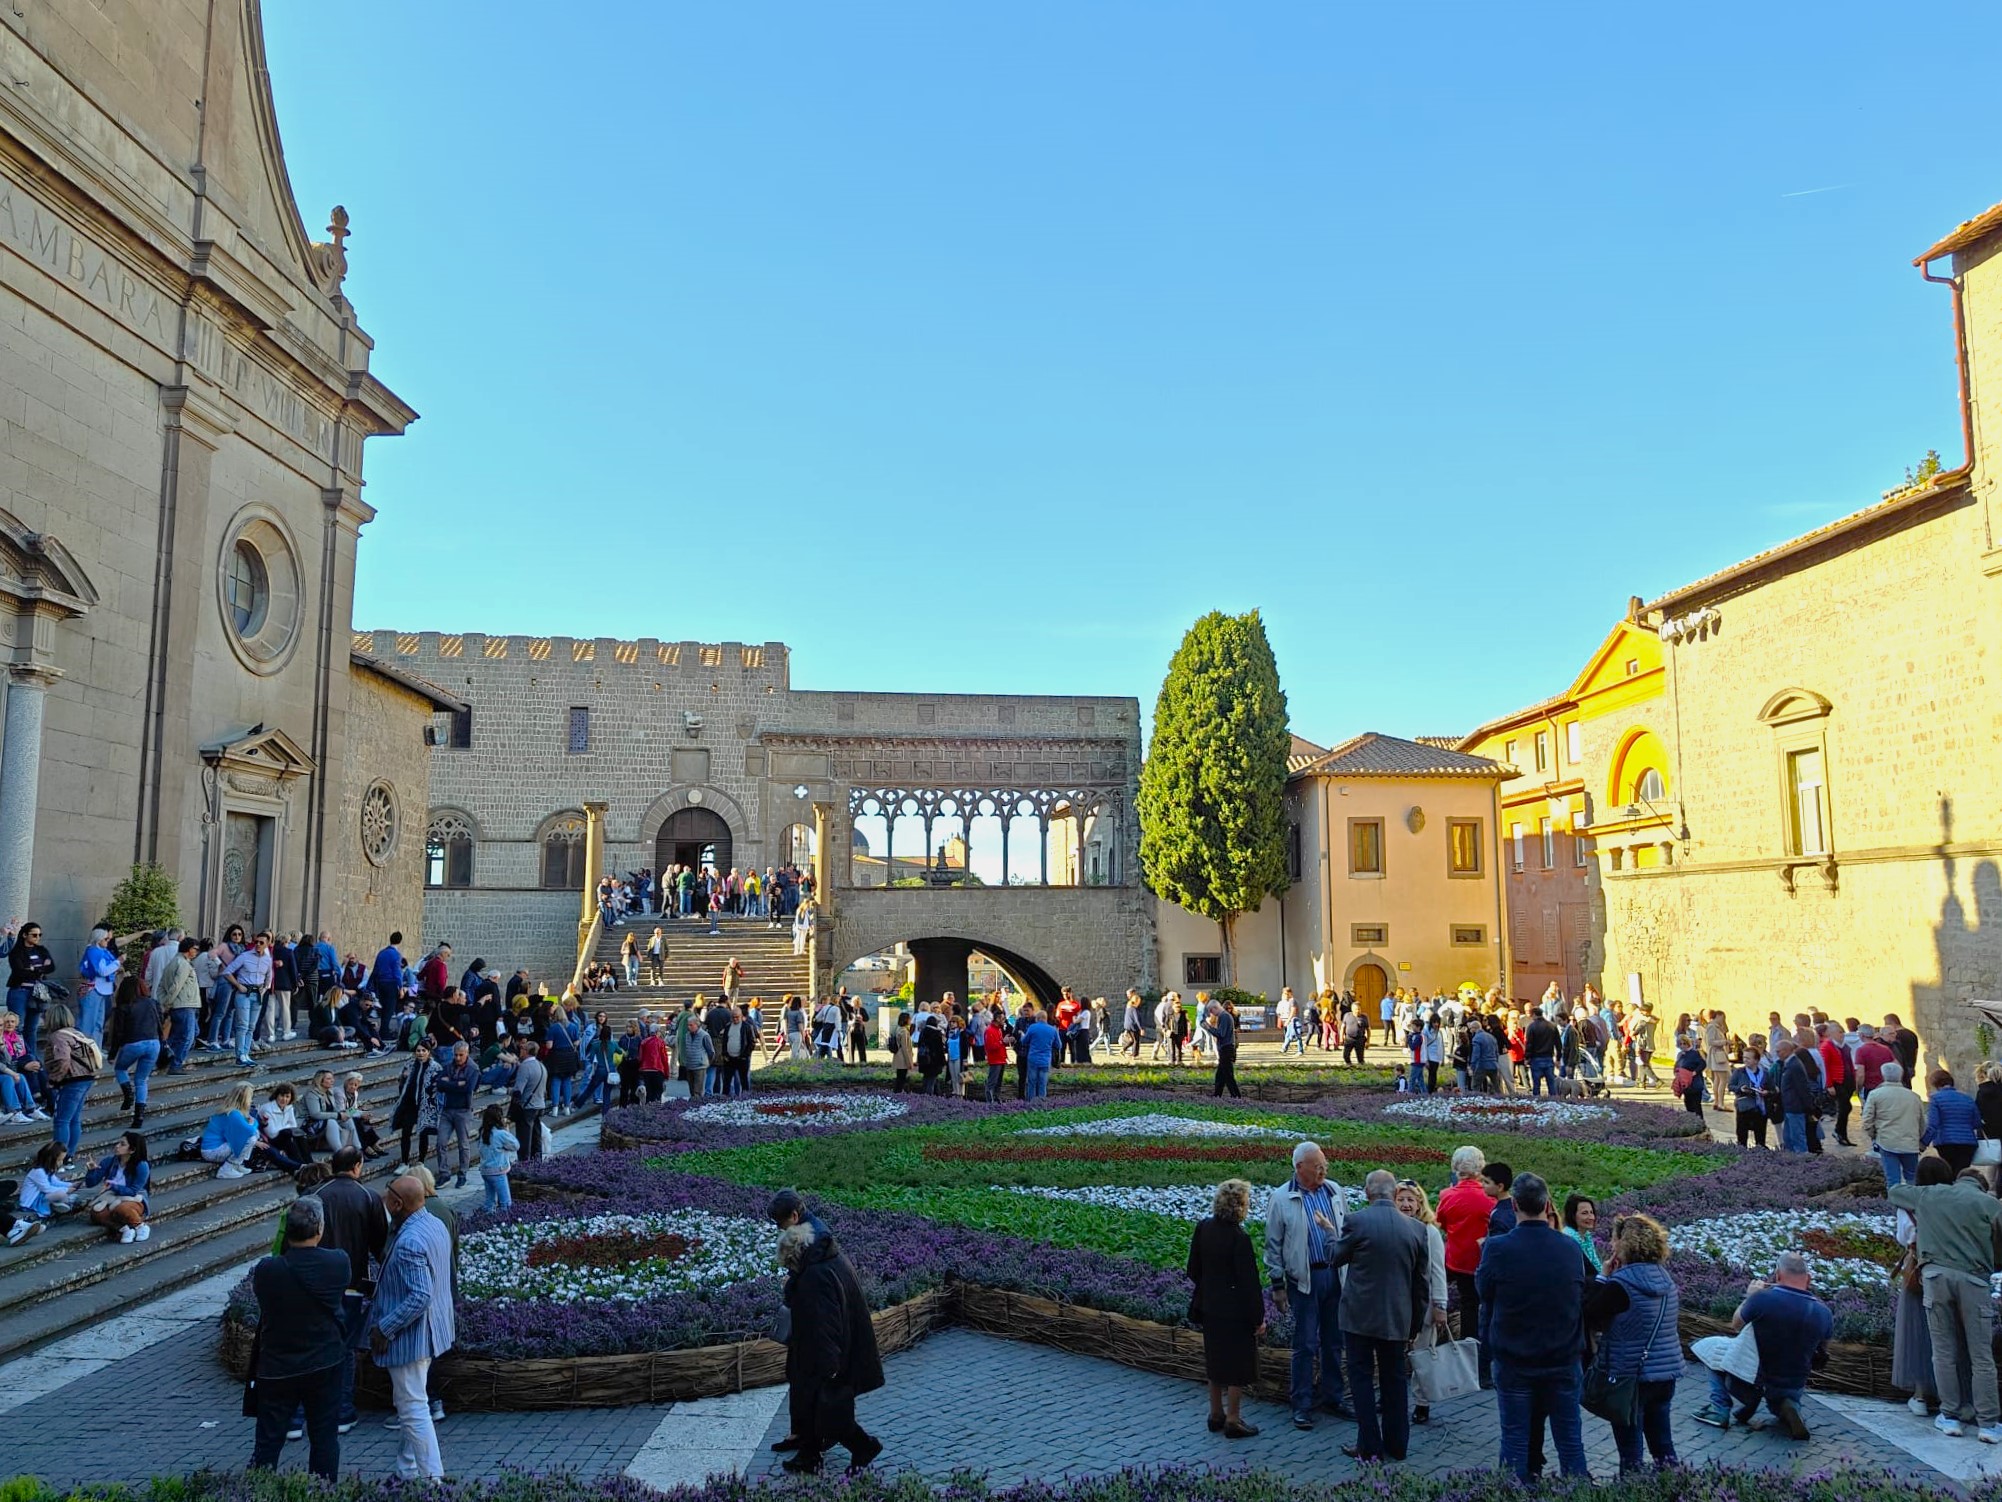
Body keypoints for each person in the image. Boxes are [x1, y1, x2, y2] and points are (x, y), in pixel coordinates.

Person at [1476, 1172, 1590, 1481]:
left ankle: (1515, 1490)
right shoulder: (1568, 1247)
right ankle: (1579, 1492)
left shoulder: (1498, 1248)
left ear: (1513, 1204)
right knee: (1570, 1440)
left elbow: (1483, 1292)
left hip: (1515, 1359)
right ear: (1546, 1204)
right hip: (1563, 1358)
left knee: (1514, 1439)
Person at [1888, 1162, 2002, 1440]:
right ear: (1981, 1186)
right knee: (1981, 1355)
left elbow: (1894, 1192)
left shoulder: (1932, 1195)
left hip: (1935, 1278)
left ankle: (1949, 1417)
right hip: (1974, 1280)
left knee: (1943, 1350)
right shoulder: (1989, 1204)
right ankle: (1987, 1423)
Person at [1325, 1169, 1429, 1462]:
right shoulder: (1416, 1229)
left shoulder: (1357, 1221)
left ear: (1368, 1193)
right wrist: (1415, 1324)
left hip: (1359, 1318)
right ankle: (1397, 1446)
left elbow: (1335, 1257)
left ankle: (1369, 1446)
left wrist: (1330, 1234)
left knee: (1361, 1380)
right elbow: (1421, 1284)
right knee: (1395, 1382)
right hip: (1397, 1318)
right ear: (1395, 1194)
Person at [250, 1195, 350, 1480]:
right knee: (324, 1438)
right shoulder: (338, 1262)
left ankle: (257, 1491)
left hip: (278, 1366)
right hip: (324, 1362)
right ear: (320, 1229)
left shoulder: (268, 1271)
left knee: (268, 1443)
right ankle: (323, 1492)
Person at [776, 1220, 884, 1475]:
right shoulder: (824, 1261)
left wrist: (829, 1366)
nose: (789, 1270)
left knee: (831, 1412)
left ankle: (864, 1446)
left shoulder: (814, 1276)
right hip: (825, 1351)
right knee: (811, 1406)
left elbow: (825, 1324)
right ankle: (809, 1455)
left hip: (828, 1356)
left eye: (789, 1264)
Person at [368, 1175, 455, 1480]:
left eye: (388, 1194)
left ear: (397, 1203)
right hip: (433, 1332)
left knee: (413, 1408)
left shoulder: (409, 1241)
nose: (383, 1198)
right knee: (411, 1402)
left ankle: (432, 1480)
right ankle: (407, 1471)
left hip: (412, 1339)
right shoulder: (433, 1224)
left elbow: (420, 1295)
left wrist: (384, 1327)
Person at [1693, 1251, 1832, 1438]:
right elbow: (1822, 1350)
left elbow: (1736, 1325)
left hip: (1752, 1381)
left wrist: (1750, 1297)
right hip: (1793, 1383)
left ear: (1778, 1275)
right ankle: (1788, 1406)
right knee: (1782, 1401)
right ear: (1808, 1278)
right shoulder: (1824, 1313)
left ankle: (1720, 1408)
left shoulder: (1763, 1299)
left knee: (1708, 1347)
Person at [1582, 1212, 1680, 1473]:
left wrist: (1602, 1278)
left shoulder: (1621, 1285)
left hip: (1630, 1377)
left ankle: (1632, 1490)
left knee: (1631, 1453)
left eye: (1614, 1240)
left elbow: (1590, 1313)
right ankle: (1677, 1489)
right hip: (1664, 1374)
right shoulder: (1666, 1280)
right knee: (1663, 1446)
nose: (1611, 1246)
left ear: (1625, 1244)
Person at [1265, 1141, 1351, 1430]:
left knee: (1334, 1340)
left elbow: (1345, 1231)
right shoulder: (1282, 1198)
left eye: (1324, 1164)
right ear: (1299, 1167)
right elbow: (1273, 1245)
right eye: (1317, 1166)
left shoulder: (1335, 1191)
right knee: (1305, 1343)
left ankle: (1333, 1396)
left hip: (1333, 1275)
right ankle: (1301, 1404)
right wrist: (1277, 1285)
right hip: (1304, 1281)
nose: (1323, 1169)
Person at [1187, 1178, 1266, 1438]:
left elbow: (1192, 1269)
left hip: (1209, 1306)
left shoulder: (1203, 1228)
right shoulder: (1239, 1238)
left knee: (1215, 1361)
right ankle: (1233, 1418)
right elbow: (1249, 1283)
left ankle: (1215, 1413)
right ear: (1241, 1205)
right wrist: (1258, 1318)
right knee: (1237, 1366)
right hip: (1235, 1312)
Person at [1892, 1156, 1963, 1422]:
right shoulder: (1954, 1203)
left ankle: (1920, 1396)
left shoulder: (1909, 1205)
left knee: (1917, 1333)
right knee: (1948, 1334)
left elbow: (1903, 1237)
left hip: (1917, 1273)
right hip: (1950, 1267)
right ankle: (1952, 1395)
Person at [1435, 1145, 1494, 1388]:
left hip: (1454, 1260)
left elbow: (1441, 1222)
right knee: (1477, 1309)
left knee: (1455, 1301)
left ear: (1456, 1167)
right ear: (1480, 1168)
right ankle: (1480, 1368)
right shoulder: (1489, 1198)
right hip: (1479, 1261)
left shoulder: (1446, 1195)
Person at [1392, 1179, 1450, 1424]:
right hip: (1395, 1303)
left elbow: (1438, 1270)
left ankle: (1422, 1402)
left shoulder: (1430, 1231)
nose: (1405, 1204)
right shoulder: (1390, 1227)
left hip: (1422, 1304)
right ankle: (1391, 1399)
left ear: (1419, 1204)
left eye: (1410, 1200)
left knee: (1422, 1355)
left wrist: (1440, 1305)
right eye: (1401, 1199)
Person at [1863, 1061, 1926, 1188]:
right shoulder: (1914, 1096)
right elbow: (1922, 1122)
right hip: (1910, 1142)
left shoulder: (1875, 1094)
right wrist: (1920, 1140)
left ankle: (1895, 1204)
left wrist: (1874, 1135)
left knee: (1892, 1179)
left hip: (1887, 1141)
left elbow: (1867, 1120)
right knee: (1912, 1178)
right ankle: (1913, 1203)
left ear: (1883, 1075)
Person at [82, 1129, 150, 1242]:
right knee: (96, 1213)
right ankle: (124, 1229)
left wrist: (113, 1187)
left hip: (134, 1198)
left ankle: (140, 1226)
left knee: (122, 1208)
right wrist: (91, 1171)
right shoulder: (109, 1161)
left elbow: (133, 1191)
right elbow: (91, 1183)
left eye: (122, 1144)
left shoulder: (141, 1165)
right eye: (118, 1143)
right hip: (111, 1197)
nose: (117, 1146)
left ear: (132, 1150)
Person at [1923, 1068, 1983, 1175]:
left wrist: (1923, 1142)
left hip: (1946, 1142)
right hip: (1968, 1142)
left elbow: (1933, 1124)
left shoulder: (1936, 1099)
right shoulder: (1967, 1098)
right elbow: (1977, 1122)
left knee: (1948, 1174)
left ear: (1935, 1084)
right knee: (1962, 1174)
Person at [201, 1083, 261, 1178]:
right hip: (212, 1151)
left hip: (216, 1148)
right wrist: (254, 1122)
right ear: (243, 1100)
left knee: (253, 1135)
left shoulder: (233, 1112)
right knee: (251, 1138)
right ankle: (228, 1167)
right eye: (250, 1098)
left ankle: (238, 1164)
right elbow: (250, 1131)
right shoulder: (233, 1114)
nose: (251, 1101)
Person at [1728, 1042, 1773, 1149]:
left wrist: (1767, 1092)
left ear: (1756, 1060)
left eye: (1748, 1058)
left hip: (1760, 1108)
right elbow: (1730, 1086)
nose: (1745, 1060)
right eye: (1744, 1058)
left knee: (1760, 1136)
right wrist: (1740, 1089)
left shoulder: (1765, 1073)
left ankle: (1760, 1154)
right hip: (1744, 1107)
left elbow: (1772, 1089)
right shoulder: (1739, 1072)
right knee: (1742, 1136)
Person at [512, 1041, 548, 1161]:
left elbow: (518, 1090)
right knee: (536, 1137)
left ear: (526, 1051)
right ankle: (537, 1163)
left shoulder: (525, 1067)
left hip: (527, 1107)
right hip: (539, 1104)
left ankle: (524, 1164)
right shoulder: (541, 1066)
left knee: (524, 1138)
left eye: (522, 1048)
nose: (520, 1050)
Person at [1208, 997, 1241, 1099]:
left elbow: (1221, 1034)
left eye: (1211, 1010)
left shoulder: (1224, 1016)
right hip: (1226, 1047)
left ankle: (1236, 1096)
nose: (1211, 1013)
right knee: (1221, 1075)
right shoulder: (1225, 1016)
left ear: (1215, 1007)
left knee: (1227, 1074)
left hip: (1226, 1048)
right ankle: (1217, 1095)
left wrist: (1209, 1028)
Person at [1560, 1195, 1602, 1274]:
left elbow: (1595, 1265)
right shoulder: (1568, 1238)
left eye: (1591, 1212)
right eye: (1585, 1213)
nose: (1591, 1217)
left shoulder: (1586, 1236)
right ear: (1572, 1215)